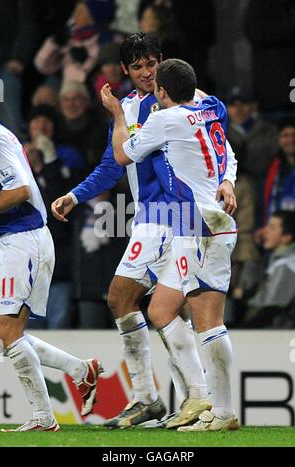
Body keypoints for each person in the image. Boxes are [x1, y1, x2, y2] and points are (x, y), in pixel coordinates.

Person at [52, 33, 237, 429]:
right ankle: (163, 398)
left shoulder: (187, 101)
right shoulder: (136, 107)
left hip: (174, 219)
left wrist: (228, 180)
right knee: (134, 302)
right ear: (126, 71)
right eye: (137, 67)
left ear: (162, 63)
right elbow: (111, 163)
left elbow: (222, 143)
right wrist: (75, 194)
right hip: (152, 219)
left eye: (152, 64)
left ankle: (190, 397)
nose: (146, 72)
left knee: (157, 304)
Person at [102, 57, 239, 431]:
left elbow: (120, 155)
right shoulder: (209, 109)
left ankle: (222, 411)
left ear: (161, 91)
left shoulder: (164, 119)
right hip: (194, 226)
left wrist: (117, 114)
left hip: (202, 227)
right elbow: (228, 152)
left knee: (208, 323)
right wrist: (228, 180)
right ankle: (199, 398)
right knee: (161, 311)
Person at [0, 121, 103, 432]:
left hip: (22, 239)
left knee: (6, 330)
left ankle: (43, 417)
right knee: (5, 331)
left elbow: (20, 191)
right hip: (14, 240)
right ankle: (81, 370)